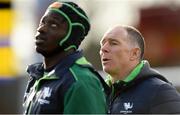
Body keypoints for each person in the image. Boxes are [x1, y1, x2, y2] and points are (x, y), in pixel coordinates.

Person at [23, 1, 107, 114]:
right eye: (42, 23)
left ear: (71, 37)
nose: (41, 29)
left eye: (53, 25)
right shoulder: (39, 77)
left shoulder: (81, 81)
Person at [99, 25, 180, 114]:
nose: (103, 49)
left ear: (134, 53)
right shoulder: (97, 93)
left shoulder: (159, 91)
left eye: (113, 43)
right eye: (103, 44)